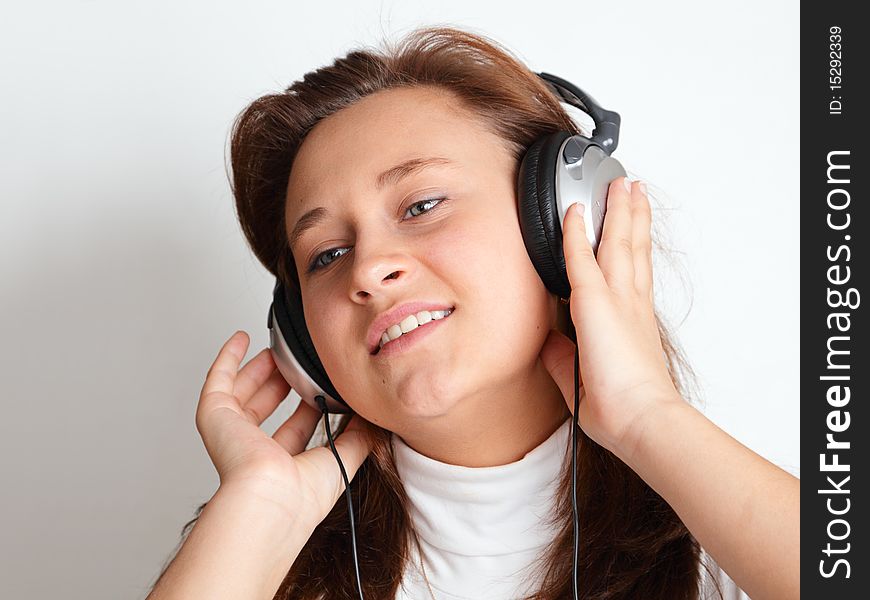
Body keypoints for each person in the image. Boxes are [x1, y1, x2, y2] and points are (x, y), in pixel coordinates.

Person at [146, 26, 799, 600]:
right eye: (328, 253)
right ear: (302, 345)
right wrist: (257, 516)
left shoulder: (734, 551)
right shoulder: (254, 565)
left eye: (422, 206)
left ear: (569, 214)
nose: (369, 269)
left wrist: (647, 417)